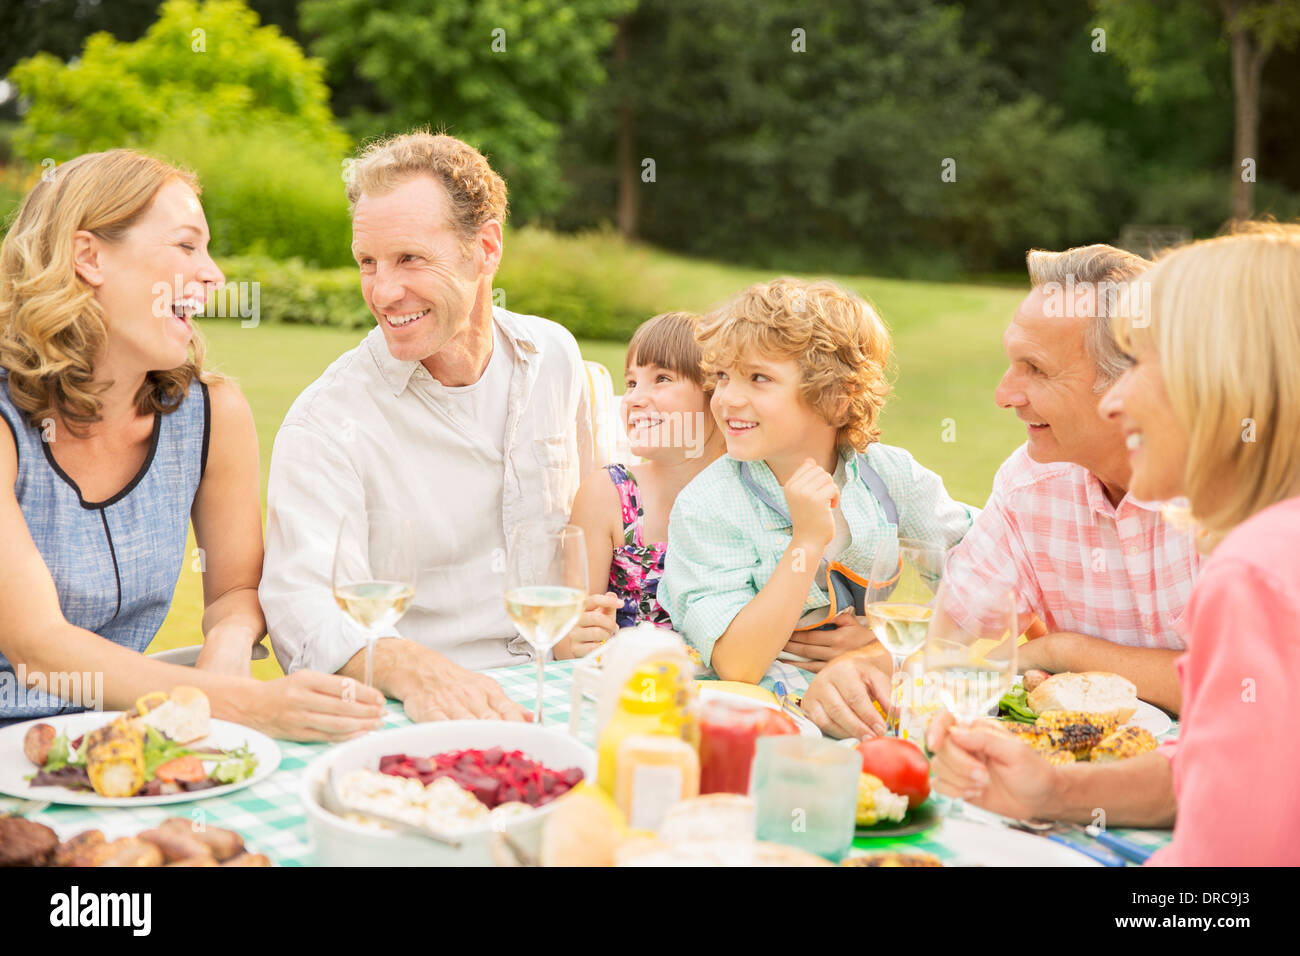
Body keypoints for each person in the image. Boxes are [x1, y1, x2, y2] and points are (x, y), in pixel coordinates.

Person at [929, 222, 1300, 866]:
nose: (1118, 398)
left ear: (1225, 383)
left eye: (1145, 364)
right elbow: (1219, 765)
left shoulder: (1257, 570)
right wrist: (1055, 789)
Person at [0, 149, 385, 739]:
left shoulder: (209, 414)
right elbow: (37, 646)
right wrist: (243, 704)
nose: (214, 274)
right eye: (185, 246)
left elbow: (234, 587)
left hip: (113, 739)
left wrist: (227, 648)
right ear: (88, 256)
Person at [260, 130, 619, 723]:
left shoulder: (555, 354)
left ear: (485, 249)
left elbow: (606, 516)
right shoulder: (326, 422)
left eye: (409, 259)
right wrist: (412, 668)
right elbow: (303, 608)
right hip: (423, 711)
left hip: (562, 691)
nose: (383, 290)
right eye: (367, 263)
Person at [802, 244, 1198, 737]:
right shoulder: (1030, 485)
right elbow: (952, 631)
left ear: (1130, 379)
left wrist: (1067, 651)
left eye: (1036, 369)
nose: (1004, 395)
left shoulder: (1230, 489)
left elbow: (1254, 684)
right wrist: (862, 670)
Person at [658, 277, 976, 693]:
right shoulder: (709, 504)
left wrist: (887, 645)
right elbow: (737, 663)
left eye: (758, 378)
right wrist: (806, 541)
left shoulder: (889, 475)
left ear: (836, 397)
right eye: (722, 376)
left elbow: (993, 573)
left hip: (871, 694)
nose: (728, 398)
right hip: (762, 709)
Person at [567, 311, 725, 654]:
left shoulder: (755, 493)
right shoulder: (608, 494)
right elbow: (569, 643)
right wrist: (577, 635)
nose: (635, 399)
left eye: (662, 378)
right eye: (632, 383)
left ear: (717, 392)